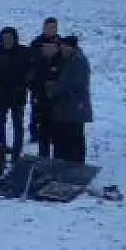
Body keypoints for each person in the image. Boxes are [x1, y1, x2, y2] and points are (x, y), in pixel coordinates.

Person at [0, 27, 31, 159]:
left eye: (10, 38)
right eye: (4, 39)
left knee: (18, 126)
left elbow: (31, 70)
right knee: (0, 124)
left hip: (18, 95)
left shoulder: (24, 52)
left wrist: (24, 84)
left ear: (15, 39)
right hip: (0, 95)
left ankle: (16, 153)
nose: (7, 41)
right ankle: (0, 151)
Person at [50, 35, 92, 163]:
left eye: (65, 47)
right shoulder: (70, 59)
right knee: (66, 140)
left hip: (73, 108)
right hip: (67, 109)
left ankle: (74, 168)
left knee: (73, 140)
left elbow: (72, 84)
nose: (62, 49)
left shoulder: (78, 62)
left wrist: (54, 89)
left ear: (72, 47)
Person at [29, 36, 63, 158]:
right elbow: (31, 81)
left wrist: (54, 87)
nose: (48, 49)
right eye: (45, 47)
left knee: (58, 138)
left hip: (59, 106)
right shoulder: (38, 63)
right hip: (42, 105)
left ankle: (58, 161)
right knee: (43, 137)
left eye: (51, 47)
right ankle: (43, 160)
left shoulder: (62, 62)